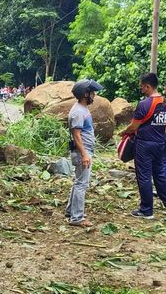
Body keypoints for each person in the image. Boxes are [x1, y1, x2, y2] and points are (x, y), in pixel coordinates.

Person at [120, 73, 166, 219]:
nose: (141, 89)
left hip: (145, 144)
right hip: (160, 142)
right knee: (159, 173)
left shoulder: (144, 104)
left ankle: (146, 210)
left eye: (142, 87)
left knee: (144, 176)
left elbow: (133, 126)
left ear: (148, 86)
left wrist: (124, 132)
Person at [65, 79, 103, 227]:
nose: (94, 95)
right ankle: (77, 217)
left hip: (84, 151)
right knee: (82, 184)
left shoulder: (82, 109)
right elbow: (77, 135)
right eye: (92, 92)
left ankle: (71, 211)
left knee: (78, 182)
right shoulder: (78, 112)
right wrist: (85, 154)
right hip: (82, 152)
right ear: (85, 94)